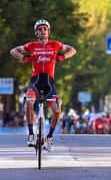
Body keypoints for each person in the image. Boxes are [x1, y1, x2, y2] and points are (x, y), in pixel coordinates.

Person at [10, 19, 76, 152]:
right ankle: (30, 135)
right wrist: (23, 58)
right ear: (36, 32)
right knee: (29, 101)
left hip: (49, 83)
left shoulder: (56, 45)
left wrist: (64, 57)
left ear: (48, 31)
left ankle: (50, 138)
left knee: (57, 108)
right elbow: (13, 51)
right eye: (39, 29)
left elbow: (72, 50)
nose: (42, 31)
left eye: (45, 29)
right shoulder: (31, 46)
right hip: (35, 81)